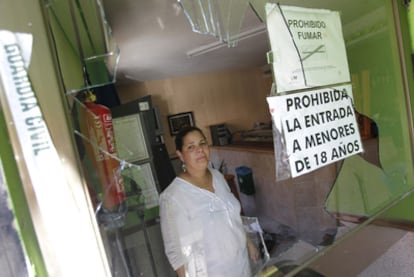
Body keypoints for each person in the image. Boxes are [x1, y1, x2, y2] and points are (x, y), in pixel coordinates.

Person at [159, 126, 258, 277]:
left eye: (202, 143)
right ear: (180, 155)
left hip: (241, 264)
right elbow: (175, 253)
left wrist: (249, 243)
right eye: (191, 147)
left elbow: (233, 217)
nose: (199, 150)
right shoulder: (173, 197)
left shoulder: (217, 176)